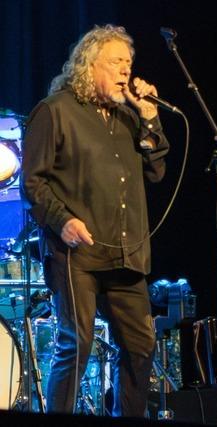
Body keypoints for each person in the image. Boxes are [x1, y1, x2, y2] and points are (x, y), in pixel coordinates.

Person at [20, 24, 169, 416]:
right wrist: (62, 220)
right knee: (77, 341)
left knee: (140, 345)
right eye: (116, 61)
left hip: (126, 251)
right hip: (77, 251)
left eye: (129, 62)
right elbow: (32, 182)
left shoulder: (128, 117)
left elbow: (157, 171)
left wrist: (150, 116)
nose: (126, 70)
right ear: (90, 65)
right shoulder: (56, 110)